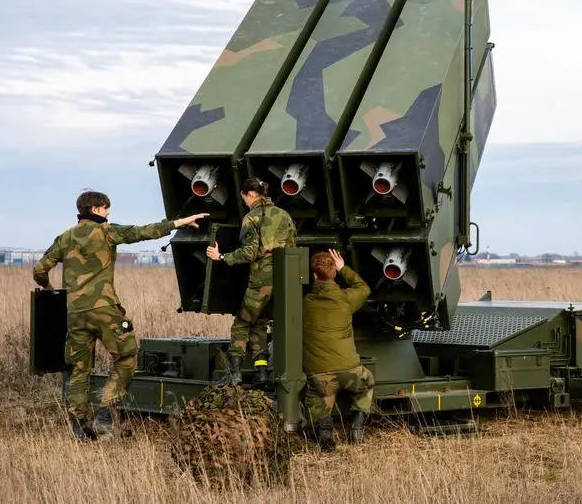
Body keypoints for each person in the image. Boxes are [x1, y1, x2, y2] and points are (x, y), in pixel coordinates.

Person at [32, 189, 208, 441]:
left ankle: (80, 425)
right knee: (126, 357)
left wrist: (49, 288)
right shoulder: (107, 231)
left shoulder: (65, 237)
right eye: (105, 208)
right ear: (95, 209)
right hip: (105, 310)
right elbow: (143, 231)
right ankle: (106, 409)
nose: (108, 212)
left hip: (76, 313)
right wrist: (179, 223)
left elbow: (39, 269)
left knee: (79, 370)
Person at [205, 177, 296, 386]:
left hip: (261, 282)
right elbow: (292, 247)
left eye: (244, 197)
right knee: (260, 323)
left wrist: (221, 257)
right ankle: (261, 372)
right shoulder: (284, 215)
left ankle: (235, 373)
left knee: (242, 323)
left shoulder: (251, 218)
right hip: (284, 281)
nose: (245, 201)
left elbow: (249, 252)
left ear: (251, 195)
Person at [301, 248, 375, 451]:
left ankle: (325, 432)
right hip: (351, 372)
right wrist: (344, 269)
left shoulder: (304, 303)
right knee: (367, 382)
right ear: (334, 272)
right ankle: (357, 427)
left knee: (316, 398)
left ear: (314, 275)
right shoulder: (346, 298)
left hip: (321, 376)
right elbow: (363, 288)